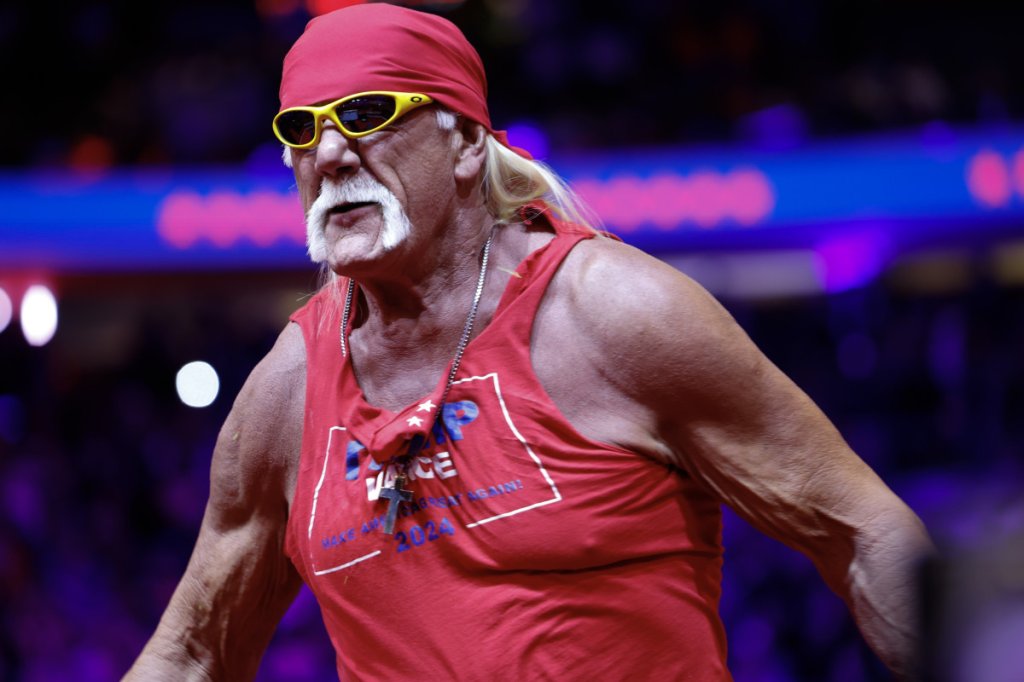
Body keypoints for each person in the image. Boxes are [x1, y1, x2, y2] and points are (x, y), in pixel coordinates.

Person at [125, 4, 933, 680]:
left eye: (367, 115)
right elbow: (194, 653)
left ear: (466, 144)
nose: (330, 153)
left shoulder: (612, 314)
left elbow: (860, 534)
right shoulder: (288, 395)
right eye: (302, 129)